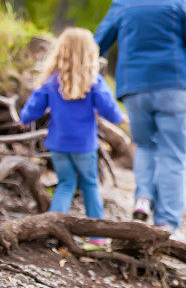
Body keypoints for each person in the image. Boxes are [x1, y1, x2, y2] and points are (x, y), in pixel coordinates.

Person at [93, 0, 186, 236]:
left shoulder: (123, 4)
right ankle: (167, 223)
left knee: (145, 146)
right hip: (174, 89)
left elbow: (97, 43)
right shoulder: (178, 3)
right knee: (172, 153)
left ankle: (143, 198)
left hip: (134, 90)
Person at [20, 27, 124, 247]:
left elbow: (30, 113)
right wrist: (121, 117)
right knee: (89, 185)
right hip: (84, 147)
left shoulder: (51, 82)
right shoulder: (93, 82)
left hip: (58, 145)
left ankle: (52, 229)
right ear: (89, 53)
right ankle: (96, 237)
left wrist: (24, 115)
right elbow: (111, 112)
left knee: (66, 184)